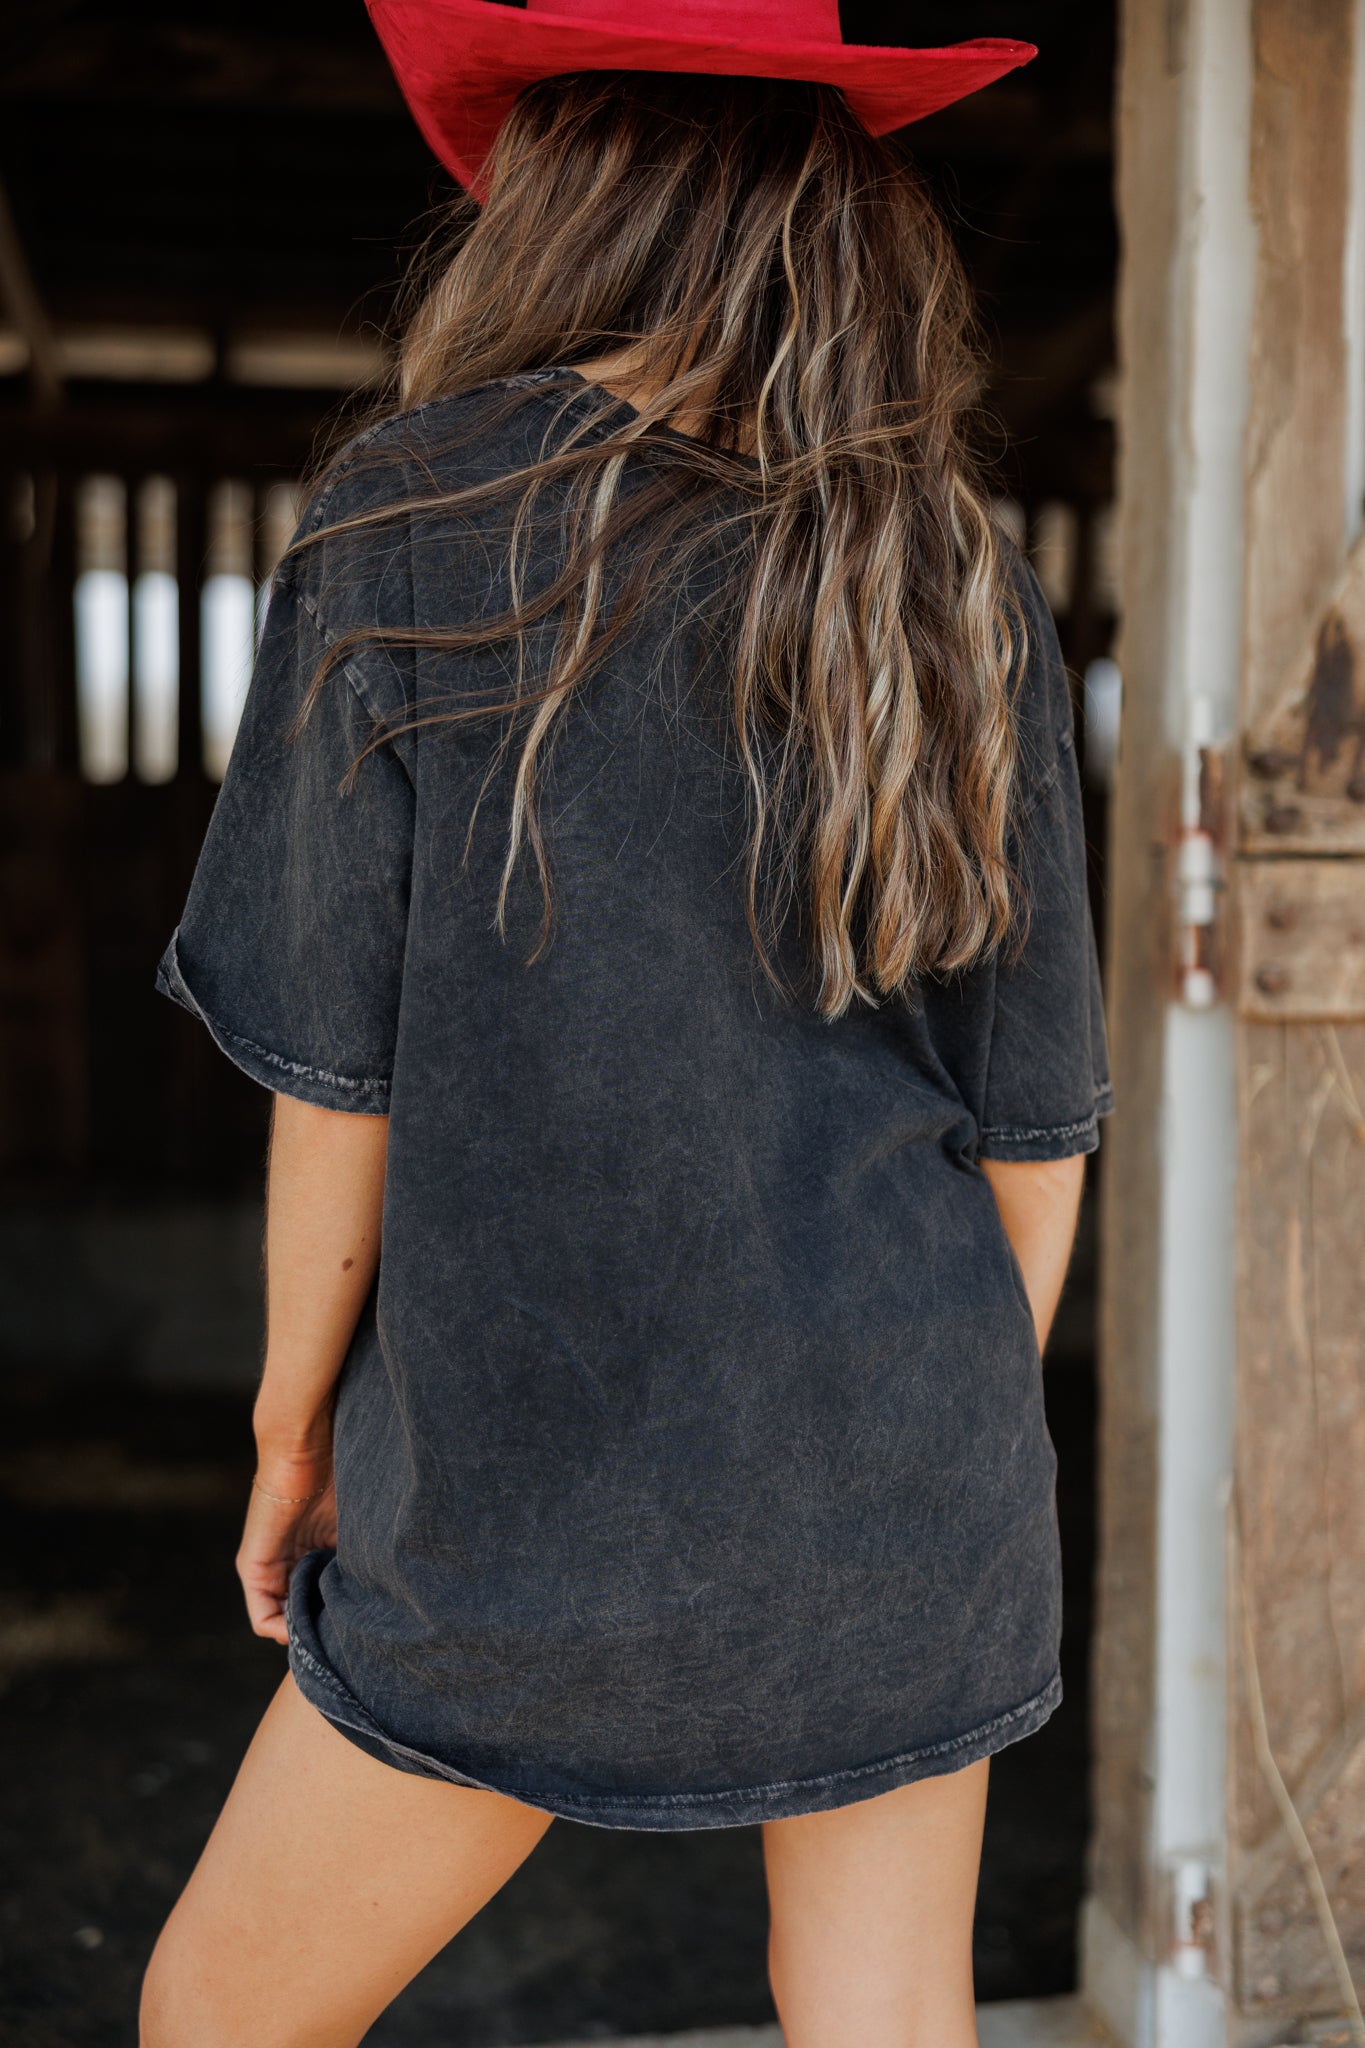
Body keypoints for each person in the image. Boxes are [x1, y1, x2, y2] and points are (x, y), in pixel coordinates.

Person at [140, 5, 1111, 2044]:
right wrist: (900, 1446)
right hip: (901, 1485)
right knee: (877, 2020)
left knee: (218, 2016)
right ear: (834, 207)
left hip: (519, 1498)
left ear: (564, 195)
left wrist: (291, 1429)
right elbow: (1035, 1127)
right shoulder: (947, 565)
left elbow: (341, 1086)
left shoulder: (408, 524)